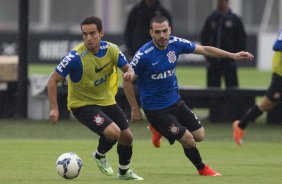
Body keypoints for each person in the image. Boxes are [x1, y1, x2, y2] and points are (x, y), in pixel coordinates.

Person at [123, 15, 254, 176]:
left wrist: (232, 55)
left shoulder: (176, 43)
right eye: (157, 32)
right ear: (151, 33)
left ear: (170, 29)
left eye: (165, 31)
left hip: (175, 101)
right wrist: (135, 109)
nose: (162, 35)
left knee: (199, 135)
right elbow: (127, 80)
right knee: (188, 139)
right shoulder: (143, 55)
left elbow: (205, 49)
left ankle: (158, 130)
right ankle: (202, 168)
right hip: (155, 109)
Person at [47, 16, 143, 180]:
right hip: (82, 105)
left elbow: (129, 69)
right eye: (85, 34)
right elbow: (52, 80)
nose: (88, 38)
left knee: (127, 137)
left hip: (106, 101)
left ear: (101, 33)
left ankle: (124, 171)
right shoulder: (75, 57)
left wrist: (129, 74)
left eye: (92, 33)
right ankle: (99, 155)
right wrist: (55, 108)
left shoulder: (112, 50)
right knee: (114, 133)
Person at [232, 30, 282, 145]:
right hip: (280, 74)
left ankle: (240, 125)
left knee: (269, 104)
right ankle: (240, 125)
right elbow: (277, 45)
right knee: (267, 104)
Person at [200, 0, 246, 88]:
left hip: (229, 62)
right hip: (213, 61)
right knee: (212, 91)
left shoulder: (235, 19)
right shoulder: (211, 18)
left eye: (222, 1)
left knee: (232, 91)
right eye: (218, 1)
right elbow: (204, 37)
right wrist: (208, 56)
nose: (220, 3)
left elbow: (241, 39)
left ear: (227, 2)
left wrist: (235, 55)